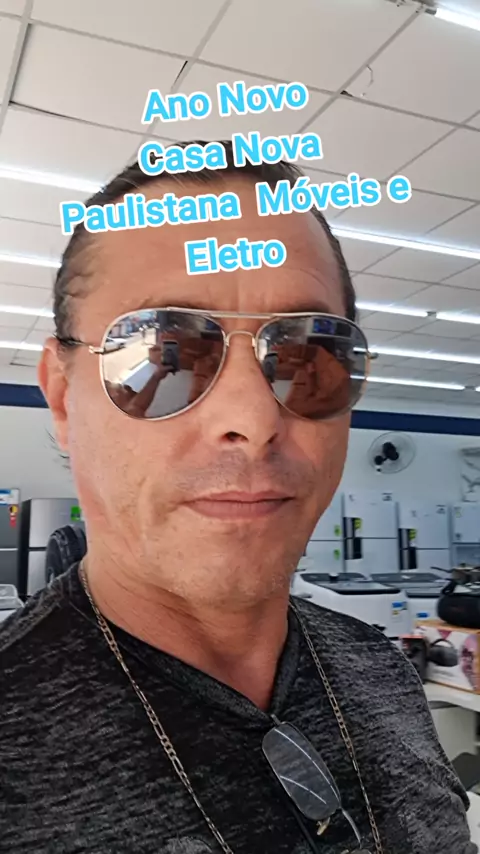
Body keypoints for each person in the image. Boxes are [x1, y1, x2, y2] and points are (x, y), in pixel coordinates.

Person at [0, 143, 475, 854]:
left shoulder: (381, 671)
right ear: (64, 396)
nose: (254, 420)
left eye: (309, 353)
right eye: (163, 352)